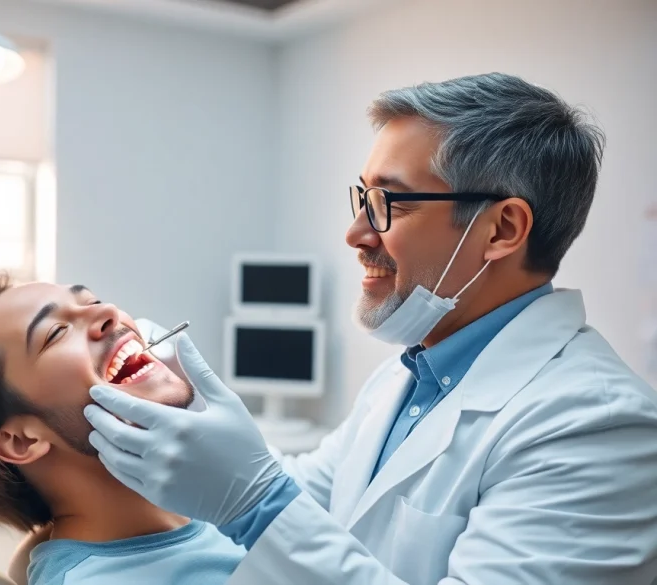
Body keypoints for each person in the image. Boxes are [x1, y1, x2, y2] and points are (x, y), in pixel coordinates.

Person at [84, 72, 657, 584]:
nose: (357, 232)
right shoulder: (409, 376)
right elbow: (315, 500)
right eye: (362, 197)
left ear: (502, 229)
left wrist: (254, 501)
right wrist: (192, 421)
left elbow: (274, 508)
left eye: (390, 202)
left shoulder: (596, 425)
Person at [0, 275, 244, 585]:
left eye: (92, 302)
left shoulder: (224, 501)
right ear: (21, 440)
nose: (109, 312)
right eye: (55, 333)